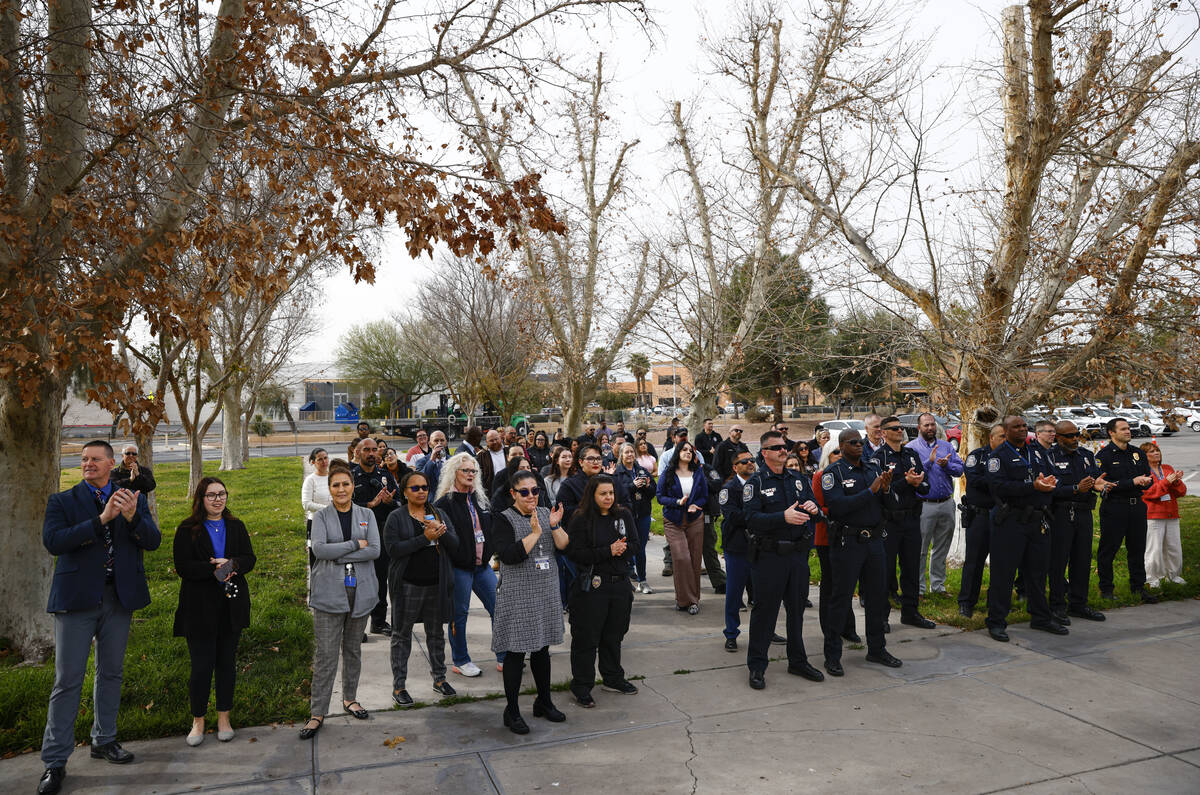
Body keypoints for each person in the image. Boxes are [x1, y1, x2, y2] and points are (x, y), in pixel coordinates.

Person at [37, 441, 160, 795]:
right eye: (84, 460)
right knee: (67, 680)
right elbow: (54, 542)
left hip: (118, 598)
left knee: (111, 672)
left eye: (94, 459)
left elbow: (152, 541)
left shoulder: (129, 496)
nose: (87, 464)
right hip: (76, 600)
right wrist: (101, 519)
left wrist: (132, 517)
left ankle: (104, 740)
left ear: (111, 463)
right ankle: (54, 762)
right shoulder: (63, 501)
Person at [173, 476, 256, 746]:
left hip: (231, 605)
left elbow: (249, 559)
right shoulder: (188, 529)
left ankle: (224, 718)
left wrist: (232, 564)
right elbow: (183, 566)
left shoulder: (236, 525)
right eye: (211, 495)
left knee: (226, 665)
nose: (218, 499)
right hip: (199, 607)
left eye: (222, 494)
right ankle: (198, 721)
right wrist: (215, 569)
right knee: (201, 666)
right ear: (201, 498)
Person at [300, 460, 380, 740]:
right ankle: (317, 712)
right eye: (336, 485)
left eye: (346, 483)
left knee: (353, 651)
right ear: (329, 488)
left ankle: (350, 698)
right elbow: (320, 550)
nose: (342, 489)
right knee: (326, 655)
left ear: (353, 485)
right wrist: (354, 545)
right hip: (329, 594)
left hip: (361, 591)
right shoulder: (321, 517)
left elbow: (375, 550)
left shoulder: (366, 515)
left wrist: (341, 553)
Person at [489, 471, 569, 734]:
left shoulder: (547, 513)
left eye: (535, 490)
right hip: (518, 595)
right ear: (513, 494)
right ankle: (511, 711)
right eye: (524, 492)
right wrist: (535, 533)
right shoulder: (503, 519)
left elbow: (564, 546)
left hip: (545, 591)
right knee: (515, 652)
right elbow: (509, 556)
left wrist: (555, 526)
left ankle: (543, 701)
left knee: (542, 649)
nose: (531, 496)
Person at [743, 430, 823, 690]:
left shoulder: (798, 479)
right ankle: (757, 665)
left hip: (797, 557)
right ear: (764, 453)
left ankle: (797, 660)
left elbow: (815, 509)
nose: (783, 450)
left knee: (797, 612)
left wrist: (815, 510)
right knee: (765, 613)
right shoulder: (755, 483)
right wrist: (782, 518)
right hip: (769, 557)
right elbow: (751, 519)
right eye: (776, 447)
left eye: (784, 446)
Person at [820, 430, 902, 676]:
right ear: (843, 445)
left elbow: (891, 505)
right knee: (840, 599)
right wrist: (870, 491)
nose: (859, 446)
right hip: (848, 543)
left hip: (874, 542)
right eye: (853, 442)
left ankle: (877, 648)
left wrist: (886, 490)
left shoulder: (872, 468)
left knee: (877, 597)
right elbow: (836, 506)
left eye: (861, 442)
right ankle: (832, 655)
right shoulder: (833, 473)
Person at [984, 415, 1067, 642]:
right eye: (1016, 427)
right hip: (1011, 521)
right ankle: (996, 621)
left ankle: (1040, 616)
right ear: (1006, 430)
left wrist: (1049, 482)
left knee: (1038, 572)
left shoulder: (1037, 452)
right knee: (1004, 574)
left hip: (1037, 521)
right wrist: (1032, 486)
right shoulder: (998, 456)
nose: (1021, 430)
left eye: (1024, 426)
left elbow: (1054, 475)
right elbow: (998, 486)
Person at [384, 471, 459, 706]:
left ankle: (439, 679)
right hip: (408, 586)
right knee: (401, 636)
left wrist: (441, 531)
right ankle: (399, 687)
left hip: (436, 585)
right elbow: (393, 550)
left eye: (424, 487)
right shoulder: (396, 517)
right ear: (405, 492)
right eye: (415, 488)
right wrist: (424, 538)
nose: (421, 491)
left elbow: (455, 545)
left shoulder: (439, 513)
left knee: (436, 635)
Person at [565, 474, 638, 707]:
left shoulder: (623, 514)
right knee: (587, 638)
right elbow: (576, 554)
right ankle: (582, 685)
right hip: (593, 587)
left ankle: (613, 678)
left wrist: (621, 550)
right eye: (603, 494)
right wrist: (608, 550)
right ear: (592, 495)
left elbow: (635, 543)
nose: (608, 498)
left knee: (614, 635)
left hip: (620, 585)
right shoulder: (580, 518)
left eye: (611, 493)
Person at [434, 453, 505, 678]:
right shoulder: (444, 503)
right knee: (459, 615)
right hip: (459, 568)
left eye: (474, 471)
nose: (470, 475)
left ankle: (504, 656)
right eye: (465, 470)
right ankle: (461, 660)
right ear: (454, 472)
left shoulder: (480, 499)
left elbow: (491, 528)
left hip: (482, 568)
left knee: (499, 608)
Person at [872, 416, 935, 630]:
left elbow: (925, 485)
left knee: (911, 568)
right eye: (895, 428)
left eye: (901, 428)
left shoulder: (911, 454)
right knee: (885, 570)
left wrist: (917, 483)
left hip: (911, 518)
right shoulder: (878, 457)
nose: (900, 431)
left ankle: (911, 612)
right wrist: (905, 482)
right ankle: (881, 616)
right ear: (883, 433)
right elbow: (881, 490)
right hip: (889, 522)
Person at [1044, 421, 1107, 624]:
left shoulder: (1087, 456)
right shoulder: (1049, 457)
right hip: (1061, 513)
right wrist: (1074, 489)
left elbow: (1096, 479)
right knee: (1058, 561)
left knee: (1082, 560)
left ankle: (1079, 604)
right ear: (1058, 437)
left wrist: (1100, 485)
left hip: (1083, 513)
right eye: (1069, 436)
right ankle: (1057, 606)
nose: (1074, 439)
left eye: (1076, 435)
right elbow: (1049, 488)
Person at [1096, 418, 1157, 603]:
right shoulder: (1104, 456)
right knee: (1109, 550)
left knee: (1137, 549)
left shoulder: (1137, 453)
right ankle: (1106, 590)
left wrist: (1147, 482)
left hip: (1136, 505)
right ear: (1111, 433)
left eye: (1128, 428)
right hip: (1115, 506)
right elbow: (1101, 484)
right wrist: (1132, 482)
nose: (1128, 431)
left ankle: (1138, 588)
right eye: (1123, 429)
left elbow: (1148, 476)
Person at [908, 412, 964, 596]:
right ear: (919, 428)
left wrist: (947, 465)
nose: (930, 428)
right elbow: (911, 474)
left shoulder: (946, 446)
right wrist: (929, 462)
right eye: (926, 425)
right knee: (921, 549)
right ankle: (919, 588)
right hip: (924, 505)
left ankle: (938, 586)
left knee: (941, 547)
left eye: (932, 424)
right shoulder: (911, 448)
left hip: (947, 503)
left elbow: (959, 470)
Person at [812, 439, 859, 651]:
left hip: (848, 536)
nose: (840, 455)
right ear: (827, 455)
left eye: (842, 452)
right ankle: (829, 629)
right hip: (826, 537)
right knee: (830, 585)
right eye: (835, 452)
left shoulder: (849, 473)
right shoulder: (821, 476)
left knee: (846, 584)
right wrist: (844, 508)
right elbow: (820, 506)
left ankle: (847, 627)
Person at [353, 438, 400, 636]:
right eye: (367, 450)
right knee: (358, 581)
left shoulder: (385, 475)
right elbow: (344, 505)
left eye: (374, 450)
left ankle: (379, 622)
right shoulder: (351, 476)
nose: (372, 453)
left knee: (381, 579)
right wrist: (369, 505)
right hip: (358, 534)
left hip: (381, 534)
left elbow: (399, 502)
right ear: (358, 452)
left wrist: (389, 501)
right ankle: (357, 627)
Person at [958, 424, 1005, 617]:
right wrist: (1000, 481)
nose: (1005, 440)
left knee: (1001, 562)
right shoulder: (977, 456)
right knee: (974, 562)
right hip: (980, 517)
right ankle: (966, 602)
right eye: (1002, 436)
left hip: (1002, 517)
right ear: (991, 438)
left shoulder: (1010, 457)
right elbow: (975, 480)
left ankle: (996, 602)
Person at [657, 441, 709, 613]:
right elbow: (660, 497)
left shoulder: (698, 472)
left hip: (695, 519)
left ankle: (693, 601)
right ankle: (683, 599)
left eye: (691, 450)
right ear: (678, 452)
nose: (688, 452)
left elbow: (704, 496)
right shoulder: (668, 472)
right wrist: (677, 502)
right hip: (673, 520)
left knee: (694, 560)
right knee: (681, 558)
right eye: (684, 449)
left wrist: (695, 505)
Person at [718, 449, 758, 651]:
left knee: (762, 593)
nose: (750, 463)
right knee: (734, 593)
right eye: (745, 461)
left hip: (761, 546)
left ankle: (764, 629)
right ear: (735, 467)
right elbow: (732, 516)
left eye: (752, 460)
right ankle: (731, 633)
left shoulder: (761, 483)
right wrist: (759, 517)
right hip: (737, 547)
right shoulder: (729, 489)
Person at [1140, 441, 1187, 589]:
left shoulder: (1167, 468)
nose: (1156, 453)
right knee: (1154, 548)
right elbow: (1149, 493)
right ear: (1144, 456)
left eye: (1157, 450)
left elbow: (1182, 492)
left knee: (1174, 547)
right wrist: (1166, 483)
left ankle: (1173, 575)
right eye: (1151, 451)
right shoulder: (1143, 472)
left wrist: (1176, 482)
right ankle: (1152, 578)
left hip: (1171, 513)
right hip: (1153, 515)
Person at [615, 443, 655, 594]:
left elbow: (653, 492)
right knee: (625, 548)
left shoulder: (642, 470)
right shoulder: (617, 473)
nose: (630, 455)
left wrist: (646, 486)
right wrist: (632, 485)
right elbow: (616, 492)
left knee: (640, 548)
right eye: (626, 452)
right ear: (621, 455)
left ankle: (642, 581)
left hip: (643, 514)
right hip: (625, 516)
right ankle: (625, 579)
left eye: (632, 451)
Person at [302, 448, 332, 566]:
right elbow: (306, 504)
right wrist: (327, 508)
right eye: (320, 459)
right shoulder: (310, 480)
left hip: (334, 521)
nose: (324, 461)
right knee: (316, 560)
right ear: (313, 462)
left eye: (325, 458)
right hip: (316, 523)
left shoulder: (334, 477)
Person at [477, 429, 508, 493]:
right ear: (487, 442)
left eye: (496, 439)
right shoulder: (482, 456)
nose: (494, 442)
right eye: (491, 440)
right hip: (491, 492)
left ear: (500, 438)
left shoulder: (508, 451)